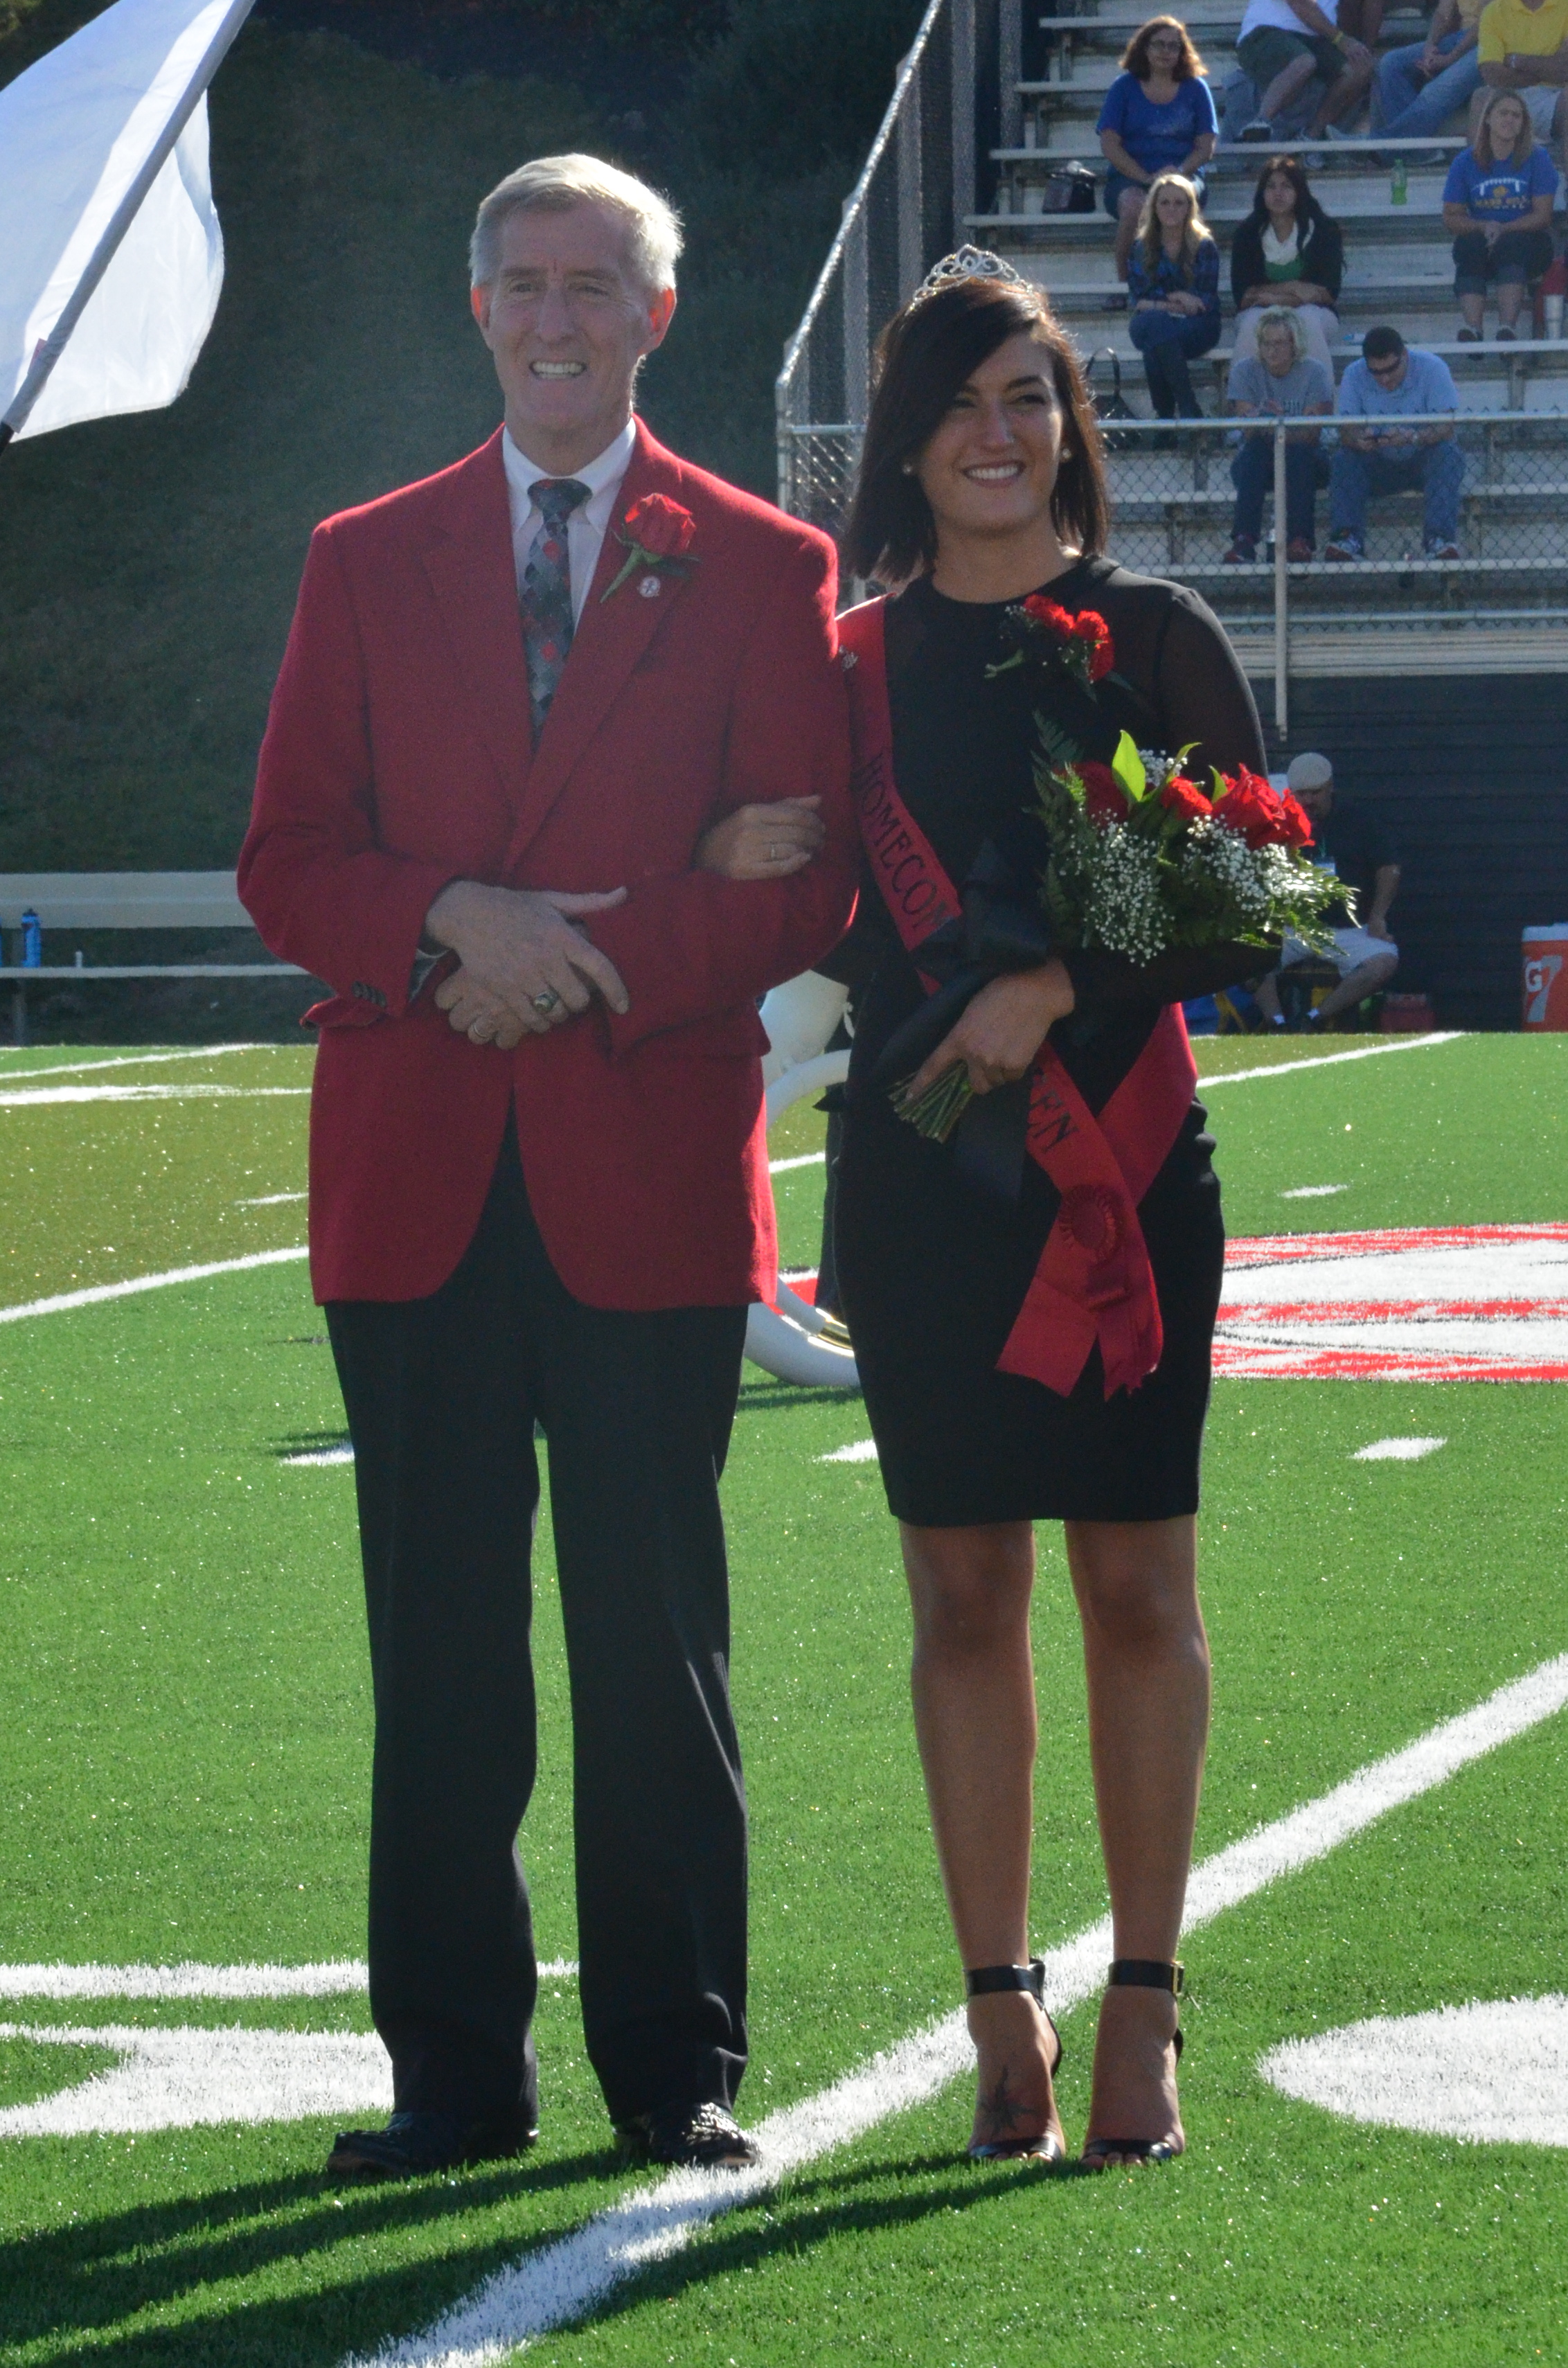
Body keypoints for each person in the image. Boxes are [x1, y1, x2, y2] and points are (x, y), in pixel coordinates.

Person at [238, 152, 857, 2182]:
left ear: (655, 312)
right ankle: (450, 2075)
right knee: (436, 1647)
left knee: (651, 1636)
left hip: (642, 1170)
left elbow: (805, 870)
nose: (557, 315)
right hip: (412, 1175)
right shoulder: (362, 553)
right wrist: (451, 924)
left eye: (594, 281)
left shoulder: (763, 564)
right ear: (477, 307)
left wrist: (569, 955)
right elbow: (287, 858)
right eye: (523, 281)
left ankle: (675, 2064)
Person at [824, 251, 1267, 2169]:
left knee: (1136, 1584)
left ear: (1071, 424)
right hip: (927, 1184)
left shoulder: (1154, 629)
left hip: (1131, 1181)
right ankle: (999, 2006)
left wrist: (1052, 990)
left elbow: (1254, 903)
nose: (995, 433)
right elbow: (798, 910)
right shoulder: (840, 663)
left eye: (1029, 395)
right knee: (959, 1586)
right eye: (956, 401)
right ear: (906, 443)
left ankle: (1149, 2003)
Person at [1257, 751, 1400, 1025]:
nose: (1308, 800)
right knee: (1246, 955)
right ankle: (1276, 1023)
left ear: (1330, 787)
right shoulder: (1280, 822)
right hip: (1296, 928)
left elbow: (1389, 868)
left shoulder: (1359, 821)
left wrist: (1378, 916)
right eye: (1302, 794)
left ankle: (1314, 1019)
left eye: (1316, 793)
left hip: (1349, 929)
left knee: (1385, 961)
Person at [1098, 18, 1220, 297]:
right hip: (1130, 176)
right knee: (1133, 204)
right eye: (1159, 45)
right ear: (1144, 49)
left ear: (1182, 52)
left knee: (1174, 201)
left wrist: (1175, 173)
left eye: (1173, 46)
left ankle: (1187, 283)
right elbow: (1110, 144)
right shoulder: (1123, 88)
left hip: (1184, 175)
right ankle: (1124, 283)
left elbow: (1205, 147)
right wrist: (1145, 177)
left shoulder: (1196, 89)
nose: (1166, 52)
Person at [1326, 325, 1466, 560]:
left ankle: (1439, 539)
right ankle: (1347, 538)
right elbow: (1346, 430)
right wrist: (1360, 440)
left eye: (1391, 369)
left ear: (1405, 355)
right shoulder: (1354, 373)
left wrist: (1413, 437)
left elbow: (1447, 427)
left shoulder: (1433, 368)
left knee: (1448, 455)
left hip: (1424, 460)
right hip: (1376, 462)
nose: (1385, 378)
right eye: (1376, 372)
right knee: (1344, 459)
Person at [1443, 87, 1558, 337]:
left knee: (1511, 244)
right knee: (1469, 246)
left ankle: (1508, 328)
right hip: (1483, 237)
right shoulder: (1465, 162)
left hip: (1528, 240)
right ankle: (1473, 328)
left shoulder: (1538, 159)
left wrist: (1502, 229)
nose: (1509, 120)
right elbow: (1452, 216)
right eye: (1503, 113)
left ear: (1523, 123)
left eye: (1516, 116)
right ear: (1488, 119)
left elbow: (1543, 215)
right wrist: (1484, 227)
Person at [1223, 306, 1335, 561]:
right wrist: (1274, 421)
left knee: (1297, 453)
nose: (1271, 350)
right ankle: (1244, 540)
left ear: (1295, 344)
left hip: (1307, 460)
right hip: (1258, 460)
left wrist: (1277, 424)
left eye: (1279, 344)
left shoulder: (1314, 372)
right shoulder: (1244, 371)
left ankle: (1299, 539)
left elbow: (1312, 435)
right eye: (1266, 343)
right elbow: (1248, 430)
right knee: (1255, 450)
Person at [1230, 154, 1346, 377]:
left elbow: (1328, 293)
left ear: (1299, 191)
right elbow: (1244, 297)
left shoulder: (1324, 230)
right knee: (1253, 323)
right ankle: (1243, 406)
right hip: (1259, 311)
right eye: (1271, 187)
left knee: (1307, 321)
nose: (1278, 193)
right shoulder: (1247, 234)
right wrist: (1294, 289)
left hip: (1316, 312)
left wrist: (1273, 297)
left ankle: (1321, 406)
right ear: (1262, 193)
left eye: (1286, 186)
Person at [1127, 172, 1222, 418]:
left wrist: (1159, 303)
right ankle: (1188, 407)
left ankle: (1165, 417)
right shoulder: (1141, 247)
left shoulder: (1204, 245)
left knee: (1154, 341)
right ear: (1154, 207)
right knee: (1155, 325)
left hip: (1198, 327)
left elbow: (1203, 304)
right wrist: (1178, 297)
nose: (1171, 209)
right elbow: (1139, 300)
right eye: (1165, 203)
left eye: (1179, 203)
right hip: (1154, 322)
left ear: (1190, 207)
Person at [1236, 0, 1375, 138]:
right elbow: (1301, 4)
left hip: (1317, 38)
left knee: (1360, 68)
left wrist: (1362, 47)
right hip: (1266, 31)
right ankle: (1260, 123)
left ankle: (1310, 137)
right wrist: (1341, 40)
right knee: (1304, 62)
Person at [1378, 0, 1486, 136]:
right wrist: (1430, 47)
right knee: (1391, 63)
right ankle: (1413, 148)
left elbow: (1488, 19)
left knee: (1435, 89)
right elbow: (1442, 14)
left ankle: (1385, 144)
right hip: (1461, 36)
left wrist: (1451, 58)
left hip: (1492, 41)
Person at [1474, 0, 1568, 149]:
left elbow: (1564, 69)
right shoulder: (1495, 11)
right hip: (1509, 93)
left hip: (1555, 96)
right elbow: (1491, 74)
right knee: (1481, 97)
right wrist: (1546, 70)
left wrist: (1516, 61)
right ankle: (1480, 171)